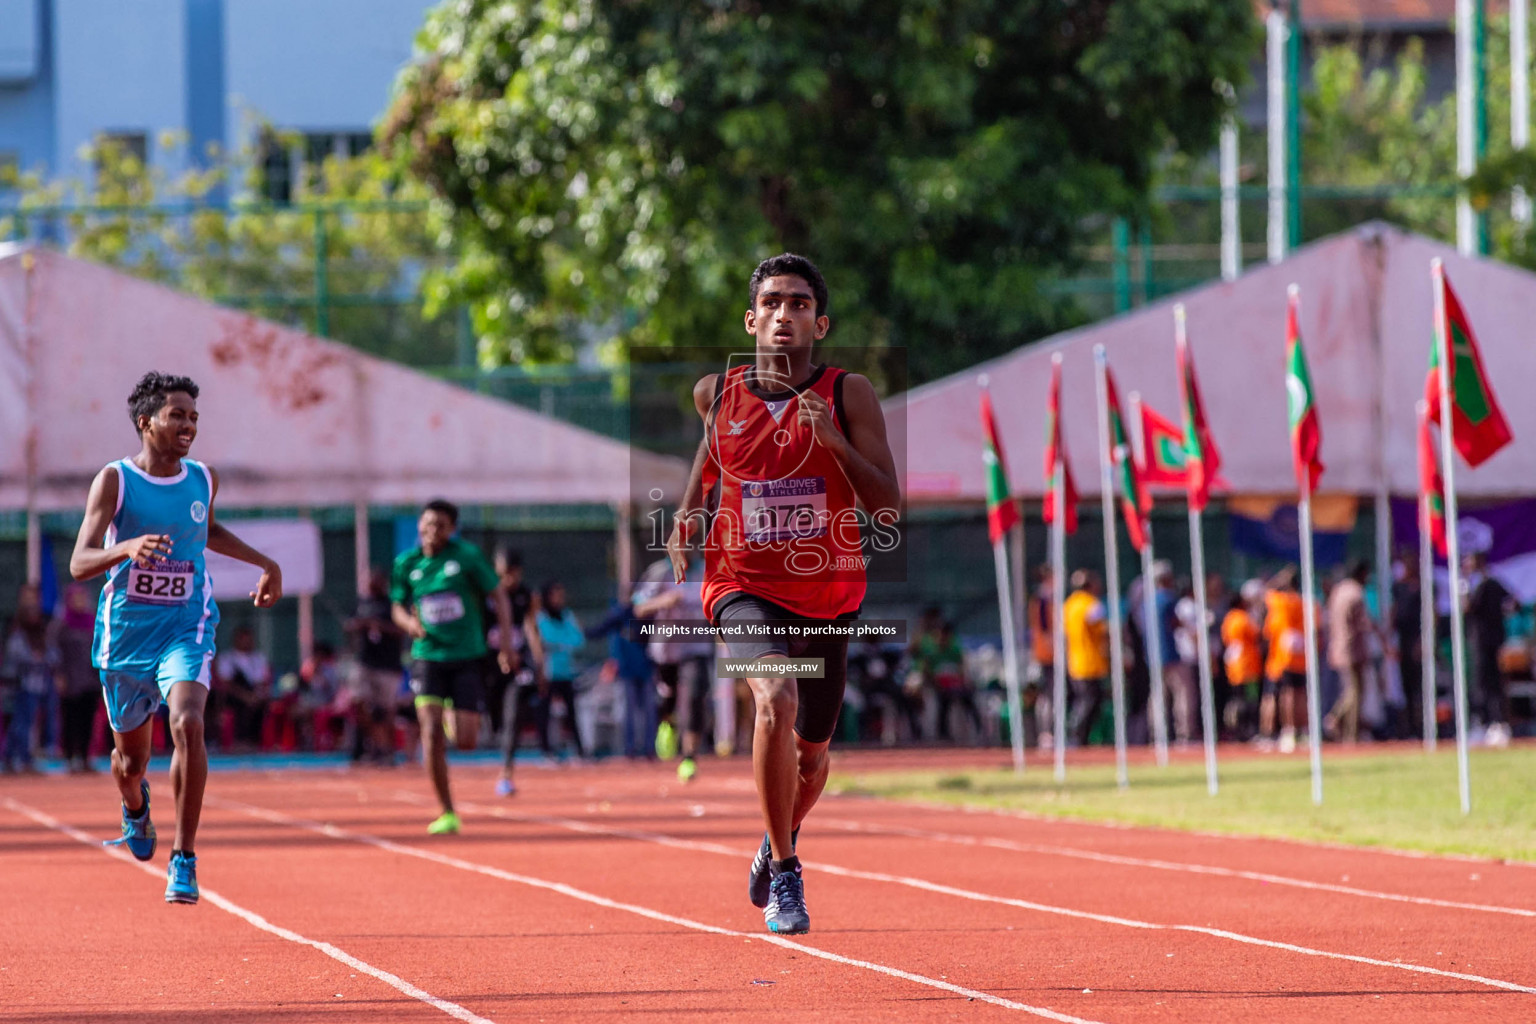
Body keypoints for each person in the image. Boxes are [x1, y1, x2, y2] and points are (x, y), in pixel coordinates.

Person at [667, 253, 901, 935]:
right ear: (752, 319)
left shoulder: (847, 394)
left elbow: (886, 504)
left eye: (799, 304)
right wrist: (687, 516)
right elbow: (709, 459)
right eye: (772, 302)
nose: (784, 314)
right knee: (775, 695)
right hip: (740, 584)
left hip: (828, 592)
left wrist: (834, 445)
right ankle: (789, 871)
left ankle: (774, 840)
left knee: (813, 752)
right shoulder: (717, 393)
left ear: (818, 323)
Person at [69, 371, 283, 904]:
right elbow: (79, 562)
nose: (189, 425)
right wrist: (125, 548)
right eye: (177, 415)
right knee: (130, 764)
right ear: (147, 422)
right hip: (125, 638)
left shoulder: (203, 477)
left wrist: (265, 562)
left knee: (188, 722)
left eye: (193, 416)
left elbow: (205, 529)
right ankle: (135, 807)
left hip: (186, 626)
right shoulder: (115, 481)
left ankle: (184, 858)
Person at [391, 499, 513, 834]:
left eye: (440, 526)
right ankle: (447, 811)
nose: (432, 532)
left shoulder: (467, 557)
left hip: (466, 657)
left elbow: (498, 595)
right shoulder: (407, 563)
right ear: (419, 525)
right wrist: (409, 625)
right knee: (428, 731)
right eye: (427, 524)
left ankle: (450, 716)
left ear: (452, 529)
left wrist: (504, 643)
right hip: (427, 656)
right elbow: (397, 607)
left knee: (467, 741)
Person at [637, 556, 714, 780]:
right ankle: (666, 721)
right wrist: (664, 601)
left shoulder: (707, 571)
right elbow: (638, 608)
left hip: (696, 647)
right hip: (667, 651)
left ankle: (689, 756)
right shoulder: (659, 572)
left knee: (694, 697)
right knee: (667, 699)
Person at [486, 548, 544, 796]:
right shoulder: (485, 593)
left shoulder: (527, 595)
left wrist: (539, 664)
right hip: (486, 665)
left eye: (511, 574)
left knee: (513, 716)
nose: (507, 581)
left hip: (516, 665)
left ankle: (506, 772)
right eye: (502, 575)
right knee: (493, 720)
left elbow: (532, 629)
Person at [344, 568, 406, 764]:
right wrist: (359, 625)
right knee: (358, 701)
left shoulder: (391, 605)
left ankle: (387, 749)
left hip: (387, 665)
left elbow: (401, 629)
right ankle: (375, 744)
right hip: (364, 662)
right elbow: (349, 625)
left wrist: (380, 626)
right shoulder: (361, 603)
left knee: (386, 710)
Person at [2, 583, 60, 774]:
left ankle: (25, 758)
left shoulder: (43, 626)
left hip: (39, 683)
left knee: (33, 722)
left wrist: (44, 658)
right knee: (18, 723)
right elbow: (12, 651)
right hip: (19, 684)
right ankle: (14, 758)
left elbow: (52, 652)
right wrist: (30, 658)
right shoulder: (14, 624)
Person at [1463, 552, 1514, 747]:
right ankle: (1488, 723)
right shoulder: (1486, 583)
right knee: (1485, 683)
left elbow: (1469, 608)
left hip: (1487, 641)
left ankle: (1494, 723)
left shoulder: (1485, 585)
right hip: (1484, 641)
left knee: (1487, 683)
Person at [535, 580, 587, 761]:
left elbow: (578, 640)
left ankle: (579, 752)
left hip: (566, 673)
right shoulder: (540, 617)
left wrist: (559, 644)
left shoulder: (567, 616)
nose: (559, 599)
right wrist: (561, 643)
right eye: (556, 594)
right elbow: (544, 640)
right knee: (544, 713)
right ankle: (547, 751)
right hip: (548, 674)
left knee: (572, 714)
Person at [54, 584, 104, 772]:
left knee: (87, 720)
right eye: (76, 599)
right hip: (70, 680)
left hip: (90, 680)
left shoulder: (93, 621)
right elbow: (55, 651)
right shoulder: (62, 624)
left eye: (82, 598)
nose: (80, 602)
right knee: (70, 720)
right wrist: (59, 675)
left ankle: (84, 758)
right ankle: (69, 758)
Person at [1324, 559, 1374, 744]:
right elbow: (1363, 623)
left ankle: (1344, 727)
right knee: (1355, 691)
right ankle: (1345, 729)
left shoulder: (1339, 591)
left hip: (1338, 646)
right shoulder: (1355, 593)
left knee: (1351, 690)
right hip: (1353, 648)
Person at [1262, 566, 1309, 753]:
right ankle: (1301, 730)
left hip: (1283, 659)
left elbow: (1267, 590)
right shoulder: (1305, 603)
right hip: (1301, 658)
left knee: (1286, 695)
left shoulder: (1281, 602)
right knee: (1299, 695)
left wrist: (1281, 577)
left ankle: (1289, 731)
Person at [1062, 570, 1109, 748]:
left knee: (1084, 700)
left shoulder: (1069, 604)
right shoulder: (1091, 605)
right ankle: (1077, 735)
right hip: (1091, 661)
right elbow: (1102, 631)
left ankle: (1079, 736)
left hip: (1075, 660)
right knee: (1090, 701)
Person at [214, 626, 272, 750]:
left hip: (254, 694)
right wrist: (245, 696)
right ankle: (239, 741)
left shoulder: (258, 658)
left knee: (262, 705)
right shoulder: (227, 658)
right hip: (234, 696)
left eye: (249, 639)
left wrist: (256, 695)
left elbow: (261, 681)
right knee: (241, 705)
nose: (247, 643)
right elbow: (226, 683)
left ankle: (256, 741)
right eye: (243, 639)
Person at [1221, 585, 1263, 741]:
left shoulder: (1228, 619)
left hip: (1233, 666)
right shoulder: (1242, 618)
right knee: (1250, 700)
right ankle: (1249, 730)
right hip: (1248, 666)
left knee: (1237, 699)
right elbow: (1257, 633)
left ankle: (1236, 730)